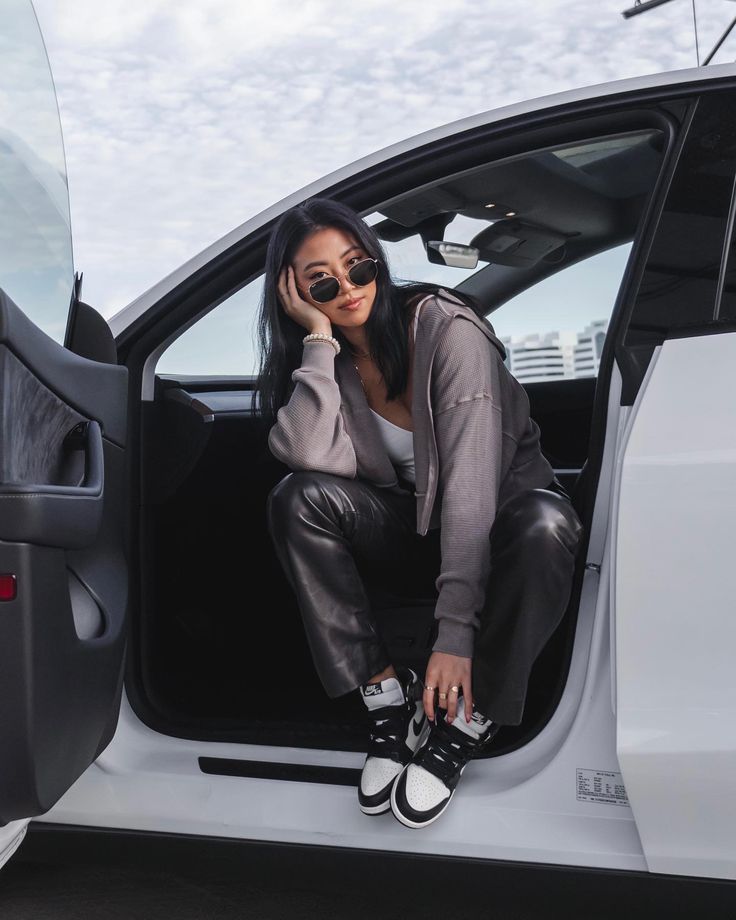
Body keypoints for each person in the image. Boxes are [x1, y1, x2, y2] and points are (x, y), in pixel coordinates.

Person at [253, 196, 584, 829]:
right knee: (297, 499)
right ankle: (383, 697)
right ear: (292, 291)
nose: (347, 288)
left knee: (545, 522)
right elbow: (300, 451)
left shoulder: (445, 332)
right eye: (320, 279)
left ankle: (469, 716)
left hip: (504, 529)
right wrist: (318, 346)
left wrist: (456, 635)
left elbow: (470, 488)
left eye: (358, 267)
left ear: (377, 261)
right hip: (418, 530)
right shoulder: (334, 361)